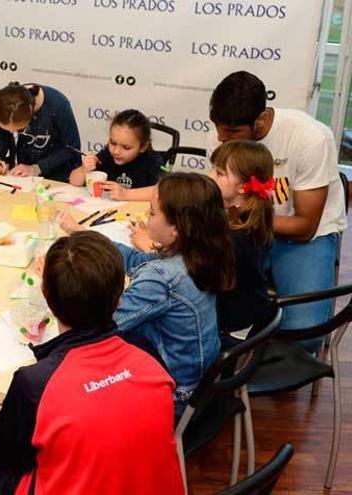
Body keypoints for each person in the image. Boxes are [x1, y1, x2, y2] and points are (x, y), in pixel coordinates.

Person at [0, 232, 184, 495]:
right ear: (119, 298)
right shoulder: (148, 355)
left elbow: (9, 459)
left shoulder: (35, 382)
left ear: (47, 296)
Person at [61, 173, 234, 419]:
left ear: (176, 228)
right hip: (201, 380)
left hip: (175, 397)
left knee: (76, 377)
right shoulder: (199, 253)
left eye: (152, 213)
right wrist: (82, 235)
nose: (145, 216)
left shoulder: (162, 276)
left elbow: (103, 326)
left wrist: (57, 290)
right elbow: (136, 260)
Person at [208, 71, 347, 349]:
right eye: (219, 129)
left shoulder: (310, 138)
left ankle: (252, 367)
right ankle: (236, 363)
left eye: (233, 132)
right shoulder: (224, 133)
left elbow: (304, 226)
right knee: (196, 304)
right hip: (243, 230)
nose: (222, 139)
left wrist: (240, 219)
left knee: (305, 335)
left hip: (300, 239)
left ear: (260, 120)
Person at [209, 141, 275, 339]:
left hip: (231, 325)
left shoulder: (238, 236)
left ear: (243, 187)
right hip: (244, 309)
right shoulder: (244, 217)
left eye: (219, 173)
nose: (210, 176)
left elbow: (213, 280)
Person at [0, 82, 81, 181]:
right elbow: (1, 136)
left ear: (31, 114)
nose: (12, 132)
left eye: (18, 129)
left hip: (56, 178)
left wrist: (37, 168)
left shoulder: (58, 105)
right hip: (22, 177)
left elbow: (72, 149)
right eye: (8, 130)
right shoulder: (7, 107)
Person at [68, 109, 162, 196]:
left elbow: (161, 192)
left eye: (126, 147)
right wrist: (84, 170)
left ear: (143, 147)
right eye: (113, 143)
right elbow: (73, 181)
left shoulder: (152, 161)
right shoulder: (106, 155)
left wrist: (126, 194)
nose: (116, 151)